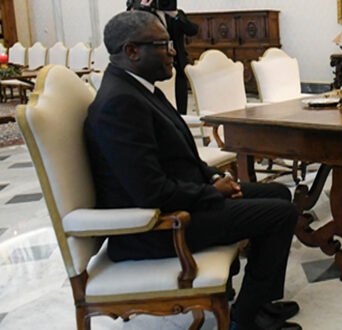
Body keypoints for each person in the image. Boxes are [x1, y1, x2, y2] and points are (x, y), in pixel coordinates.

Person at [84, 11, 301, 330]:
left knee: (279, 193)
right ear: (132, 51)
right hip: (156, 228)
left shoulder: (140, 89)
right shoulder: (119, 104)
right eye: (163, 44)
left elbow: (180, 154)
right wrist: (213, 192)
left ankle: (258, 302)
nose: (173, 51)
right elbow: (150, 192)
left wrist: (214, 177)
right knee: (279, 214)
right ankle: (246, 318)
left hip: (182, 202)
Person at [129, 0, 198, 115]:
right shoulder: (143, 14)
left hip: (178, 62)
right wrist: (142, 10)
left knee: (181, 100)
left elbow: (192, 30)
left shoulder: (176, 14)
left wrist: (176, 15)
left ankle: (182, 118)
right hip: (156, 64)